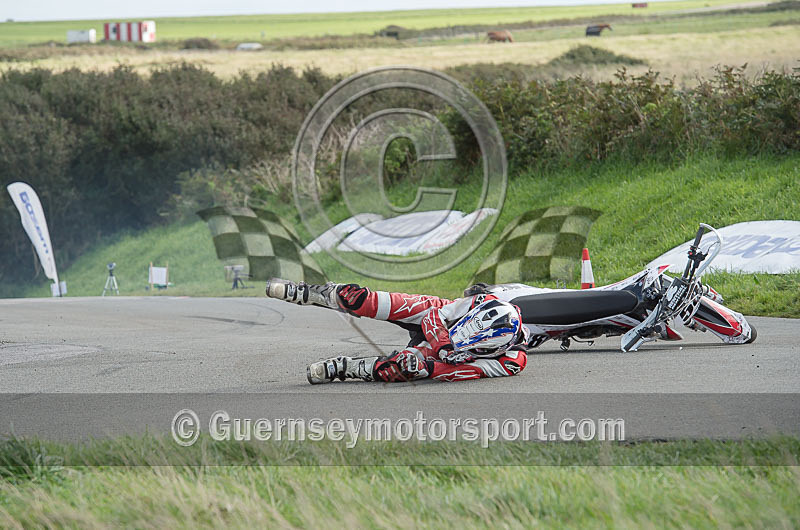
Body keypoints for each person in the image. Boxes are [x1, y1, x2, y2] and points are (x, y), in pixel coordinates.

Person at [265, 279, 529, 384]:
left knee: (402, 368)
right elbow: (437, 315)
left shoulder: (512, 362)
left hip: (449, 356)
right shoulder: (485, 302)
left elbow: (468, 372)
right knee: (360, 299)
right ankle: (311, 293)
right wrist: (444, 344)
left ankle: (350, 368)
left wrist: (427, 366)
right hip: (436, 319)